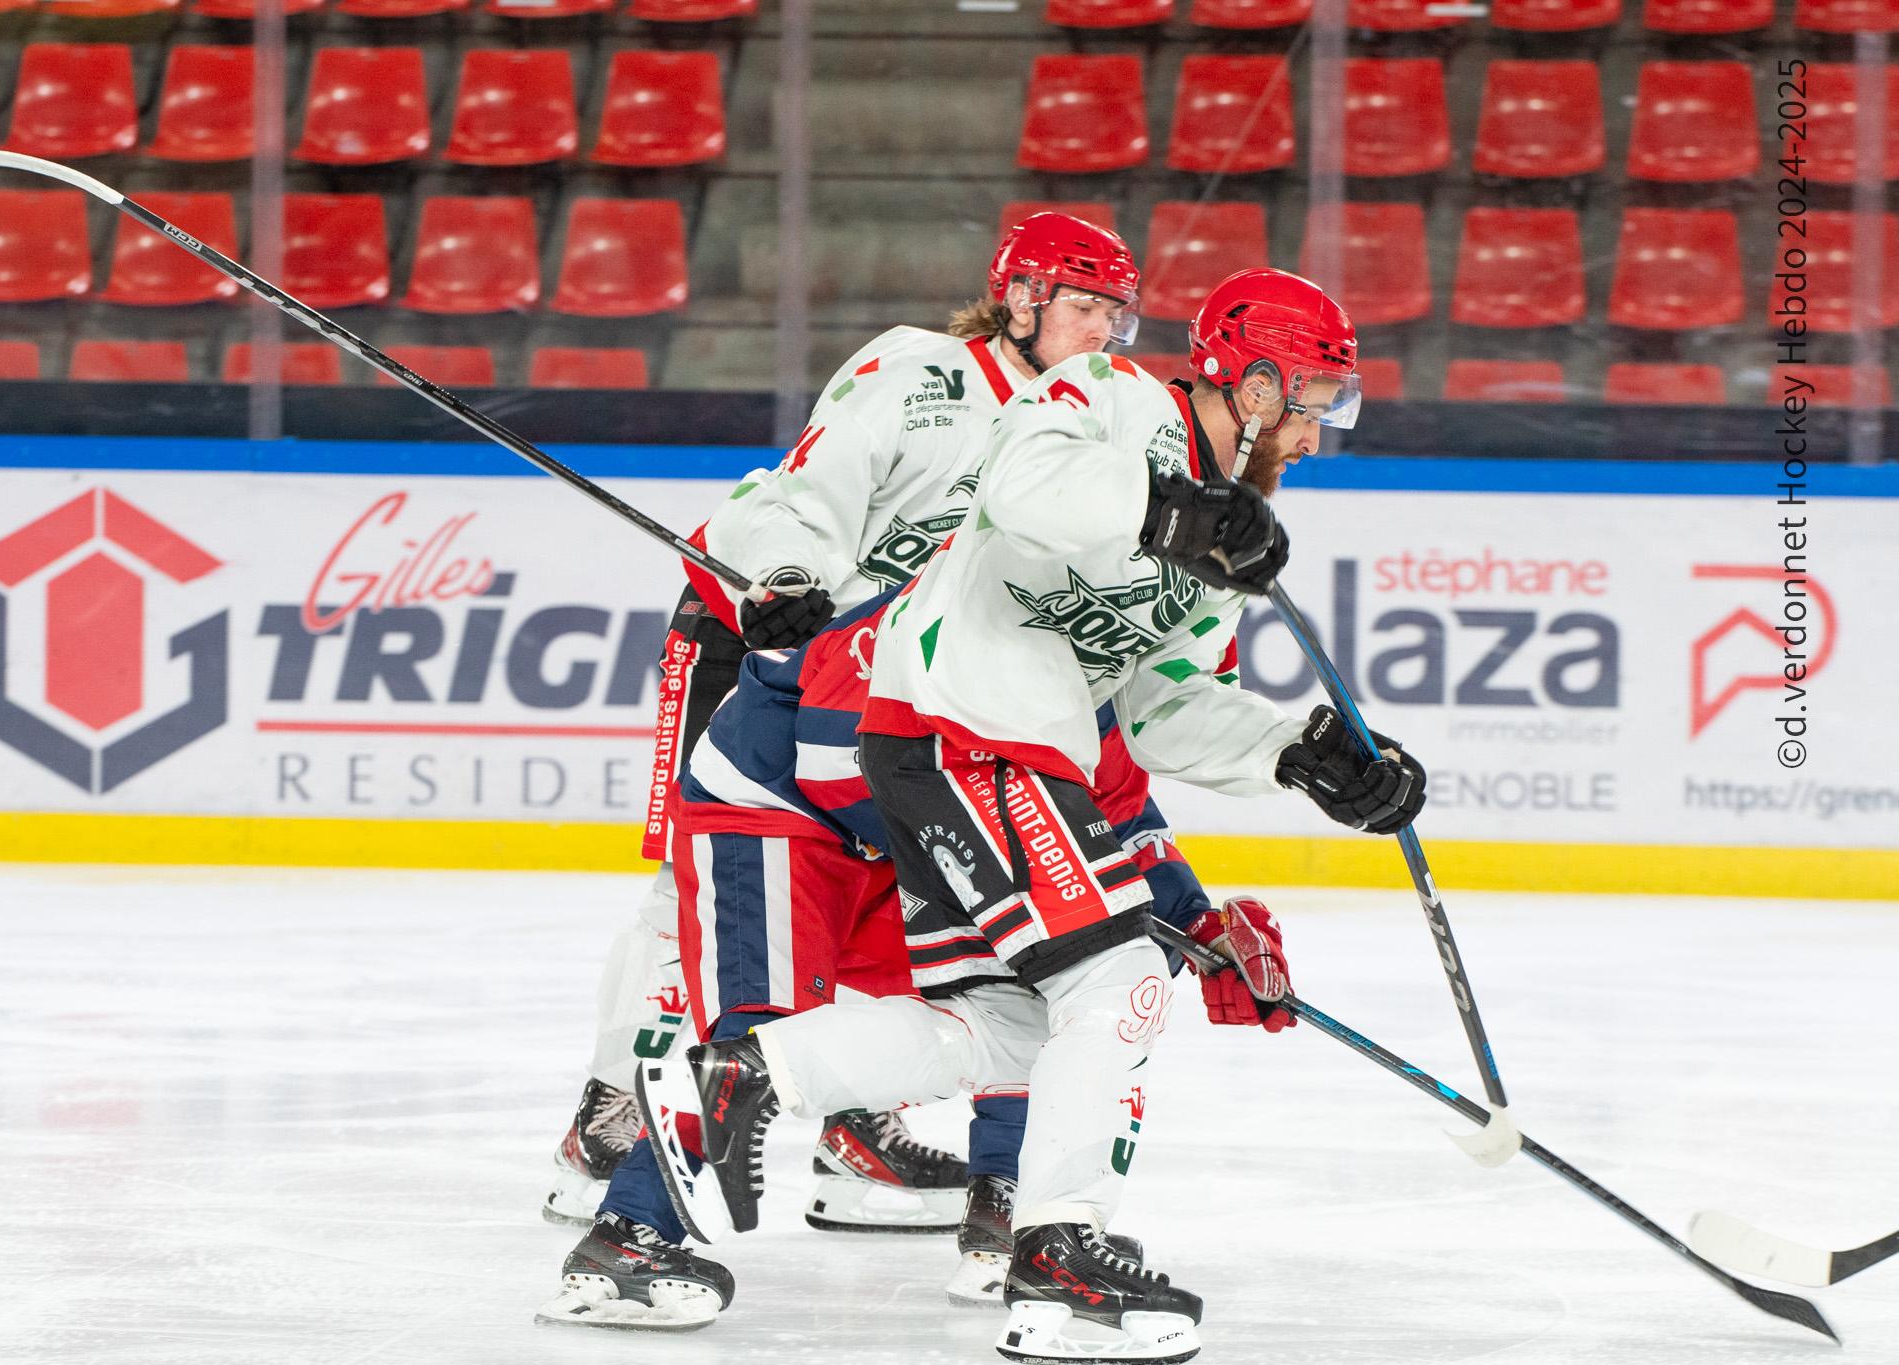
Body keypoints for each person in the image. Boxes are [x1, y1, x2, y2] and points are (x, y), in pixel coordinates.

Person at [642, 270, 1429, 1364]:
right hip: (963, 724)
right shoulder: (1111, 398)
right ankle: (1058, 1258)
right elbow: (1020, 489)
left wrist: (1295, 753)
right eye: (1309, 401)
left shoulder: (1227, 541)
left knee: (1011, 1023)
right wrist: (1166, 512)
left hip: (1008, 746)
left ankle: (750, 1076)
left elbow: (1152, 704)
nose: (1313, 434)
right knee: (1120, 984)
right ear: (1250, 385)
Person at [545, 213, 1146, 1233]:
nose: (1100, 332)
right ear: (1021, 299)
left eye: (1114, 315)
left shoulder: (1080, 427)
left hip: (883, 687)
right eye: (1082, 306)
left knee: (907, 903)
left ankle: (852, 1122)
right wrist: (783, 578)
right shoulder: (921, 375)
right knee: (695, 902)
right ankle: (611, 1119)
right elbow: (798, 498)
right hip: (760, 640)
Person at [541, 586, 1274, 1331]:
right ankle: (628, 1232)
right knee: (761, 1025)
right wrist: (1007, 871)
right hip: (772, 806)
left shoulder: (1092, 666)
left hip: (910, 820)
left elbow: (1116, 806)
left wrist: (1199, 921)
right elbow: (833, 749)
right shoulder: (982, 619)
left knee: (1030, 990)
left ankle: (1009, 1205)